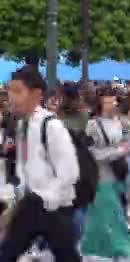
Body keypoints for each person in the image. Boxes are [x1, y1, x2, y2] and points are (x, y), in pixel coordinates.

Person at [0, 66, 81, 261]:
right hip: (31, 205)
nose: (11, 97)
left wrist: (44, 198)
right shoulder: (22, 125)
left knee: (67, 257)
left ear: (36, 94)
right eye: (9, 90)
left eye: (17, 91)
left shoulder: (51, 126)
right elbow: (23, 169)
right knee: (6, 254)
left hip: (55, 208)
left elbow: (70, 172)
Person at [80, 87, 130, 259]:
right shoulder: (92, 125)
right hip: (101, 176)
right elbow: (91, 153)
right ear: (100, 103)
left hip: (119, 175)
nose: (112, 104)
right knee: (110, 213)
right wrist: (118, 152)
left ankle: (95, 248)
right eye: (107, 101)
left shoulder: (119, 122)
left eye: (114, 101)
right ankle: (119, 248)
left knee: (106, 214)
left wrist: (126, 148)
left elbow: (125, 142)